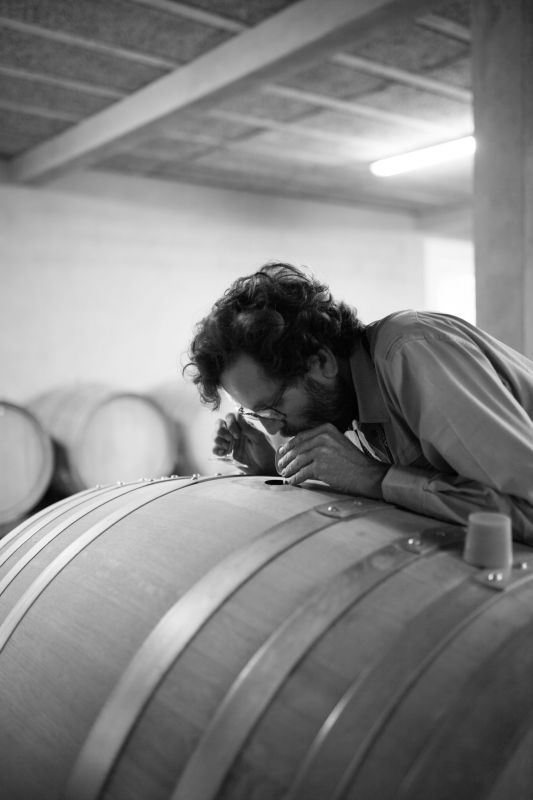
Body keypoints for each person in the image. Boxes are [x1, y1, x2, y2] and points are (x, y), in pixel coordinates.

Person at [185, 262, 533, 543]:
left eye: (271, 407)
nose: (272, 426)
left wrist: (374, 479)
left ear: (321, 363)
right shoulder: (353, 399)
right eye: (254, 414)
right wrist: (274, 468)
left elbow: (526, 510)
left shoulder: (409, 354)